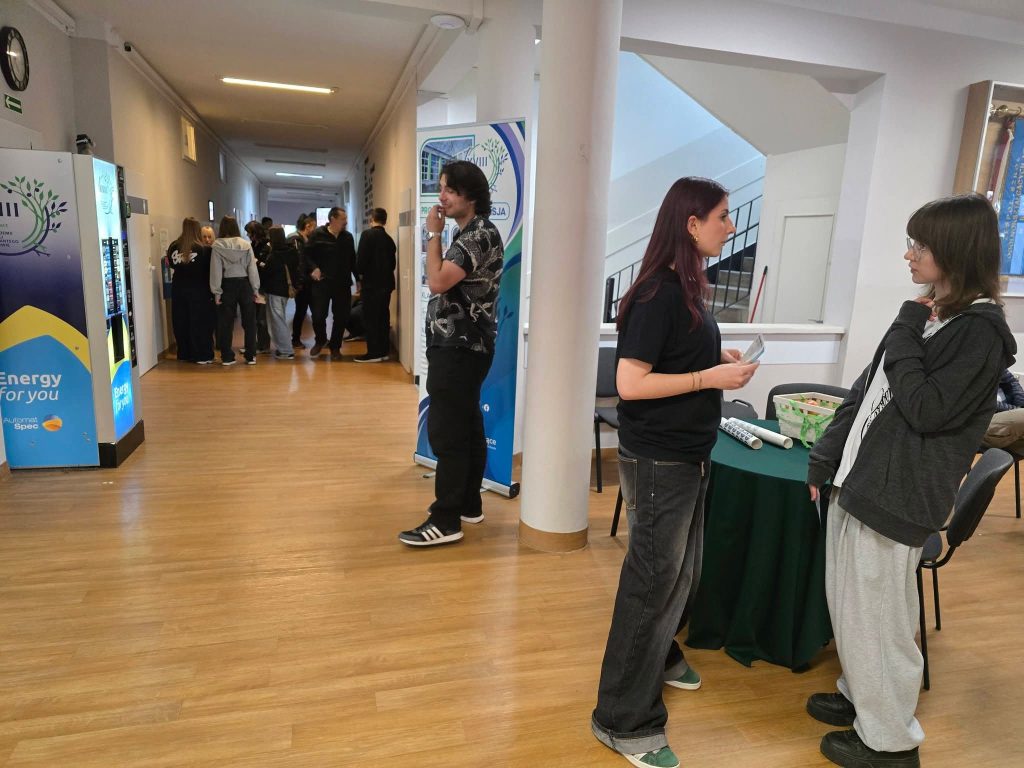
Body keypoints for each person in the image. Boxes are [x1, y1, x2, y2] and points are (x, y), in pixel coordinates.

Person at [804, 193, 1015, 768]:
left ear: (955, 251)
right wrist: (826, 459)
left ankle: (890, 742)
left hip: (897, 494)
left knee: (880, 619)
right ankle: (862, 697)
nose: (909, 254)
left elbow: (925, 408)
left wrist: (903, 327)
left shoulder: (979, 334)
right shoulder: (931, 315)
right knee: (852, 607)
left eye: (920, 245)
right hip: (860, 480)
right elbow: (867, 389)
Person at [590, 178, 758, 768]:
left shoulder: (685, 287)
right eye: (722, 216)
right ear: (691, 223)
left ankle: (660, 657)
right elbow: (631, 384)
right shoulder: (658, 292)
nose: (730, 227)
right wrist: (710, 378)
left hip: (686, 453)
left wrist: (714, 357)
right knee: (651, 584)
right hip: (661, 459)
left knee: (682, 574)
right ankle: (622, 720)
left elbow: (672, 355)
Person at [398, 160, 505, 547]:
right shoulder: (471, 232)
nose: (440, 196)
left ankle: (445, 519)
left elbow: (438, 281)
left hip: (460, 348)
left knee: (448, 433)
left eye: (449, 190)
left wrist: (432, 234)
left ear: (469, 196)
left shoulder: (478, 234)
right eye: (441, 187)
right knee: (467, 425)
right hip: (461, 347)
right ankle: (468, 504)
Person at [305, 207, 357, 361]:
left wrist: (358, 279)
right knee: (318, 315)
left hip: (342, 283)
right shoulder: (318, 234)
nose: (346, 222)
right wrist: (314, 268)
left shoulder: (347, 237)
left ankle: (335, 347)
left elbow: (352, 259)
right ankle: (321, 340)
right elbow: (306, 255)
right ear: (333, 219)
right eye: (343, 219)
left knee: (341, 317)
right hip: (322, 282)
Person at [210, 216, 260, 366]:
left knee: (226, 322)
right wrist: (255, 288)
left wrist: (216, 291)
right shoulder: (246, 245)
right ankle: (251, 355)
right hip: (245, 284)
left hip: (227, 285)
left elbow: (216, 270)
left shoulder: (217, 246)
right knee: (250, 321)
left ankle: (227, 357)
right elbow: (252, 268)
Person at [166, 217, 215, 364]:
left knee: (181, 321)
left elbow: (171, 265)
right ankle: (202, 354)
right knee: (200, 322)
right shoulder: (204, 249)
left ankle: (184, 353)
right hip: (199, 290)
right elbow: (209, 270)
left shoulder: (173, 246)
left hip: (178, 289)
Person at [354, 207, 397, 362]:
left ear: (371, 219)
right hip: (386, 284)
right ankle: (384, 351)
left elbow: (360, 262)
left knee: (371, 318)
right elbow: (392, 264)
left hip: (371, 285)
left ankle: (373, 352)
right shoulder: (389, 239)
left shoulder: (367, 235)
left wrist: (359, 277)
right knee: (383, 316)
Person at [262, 226, 299, 360]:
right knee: (280, 319)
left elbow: (267, 273)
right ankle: (284, 349)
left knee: (277, 321)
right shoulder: (292, 252)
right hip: (286, 291)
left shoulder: (273, 256)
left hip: (274, 291)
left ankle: (286, 350)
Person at [289, 214, 316, 348]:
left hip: (307, 282)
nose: (315, 229)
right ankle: (295, 339)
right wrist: (299, 283)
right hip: (303, 283)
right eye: (314, 226)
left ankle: (321, 338)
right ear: (307, 226)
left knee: (313, 311)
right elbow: (299, 264)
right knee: (301, 311)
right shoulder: (296, 240)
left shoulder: (304, 240)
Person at [246, 220, 272, 354]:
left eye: (249, 233)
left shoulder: (267, 246)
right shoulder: (252, 245)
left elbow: (268, 266)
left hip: (263, 285)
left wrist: (257, 262)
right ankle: (257, 343)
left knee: (262, 317)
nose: (248, 235)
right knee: (255, 317)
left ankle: (264, 345)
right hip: (254, 284)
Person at [983, 369, 1024, 452]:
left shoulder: (998, 368)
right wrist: (1016, 409)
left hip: (1007, 432)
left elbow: (1013, 383)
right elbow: (985, 404)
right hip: (984, 425)